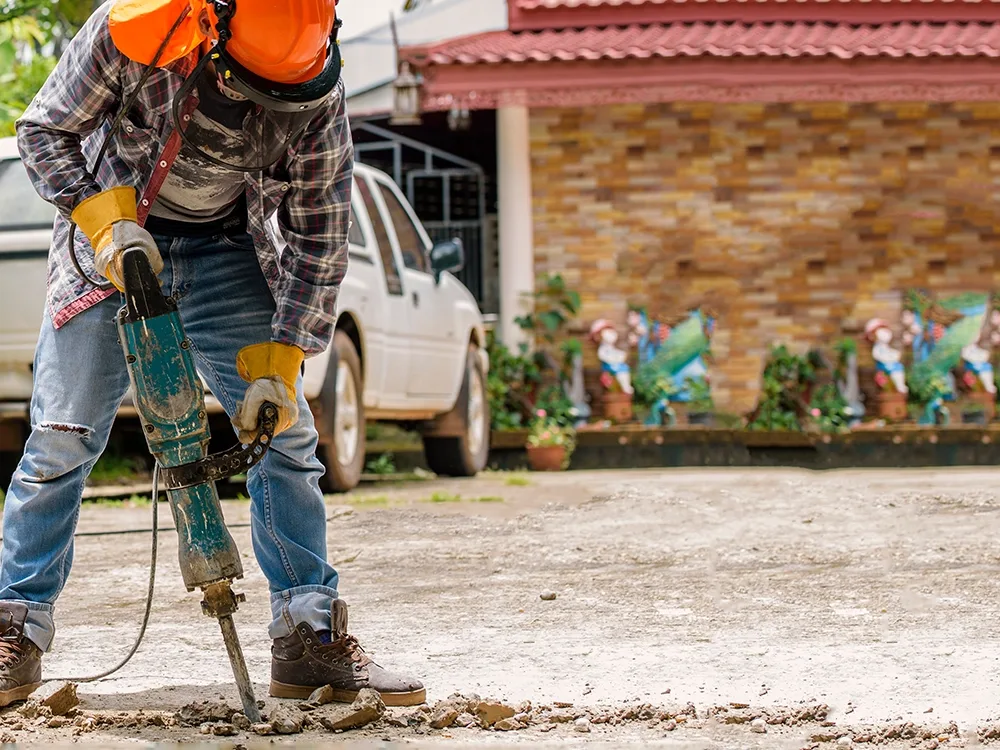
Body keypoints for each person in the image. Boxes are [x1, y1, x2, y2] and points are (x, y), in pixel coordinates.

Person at [0, 0, 424, 707]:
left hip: (229, 249)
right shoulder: (133, 31)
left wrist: (285, 359)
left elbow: (320, 237)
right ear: (211, 37)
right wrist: (102, 223)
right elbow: (45, 132)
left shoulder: (318, 93)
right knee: (61, 439)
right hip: (112, 242)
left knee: (284, 436)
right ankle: (14, 629)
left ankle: (306, 637)